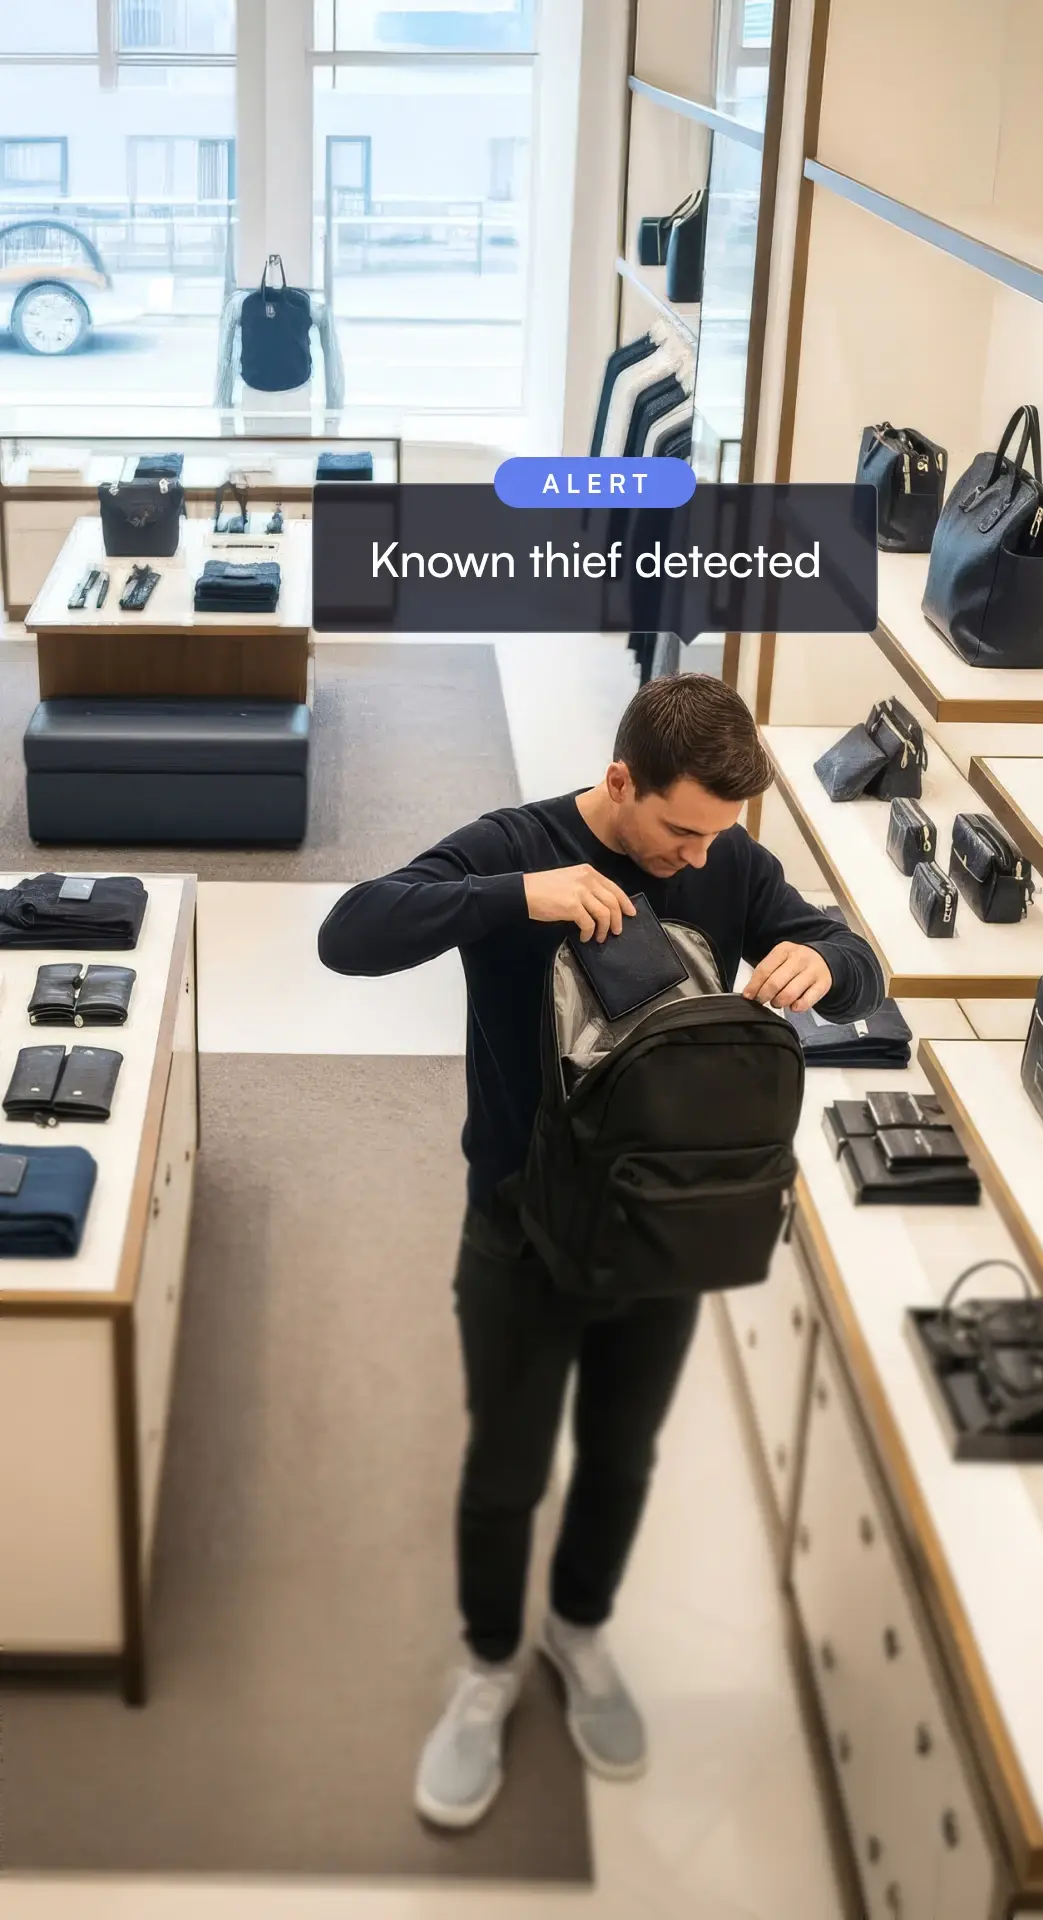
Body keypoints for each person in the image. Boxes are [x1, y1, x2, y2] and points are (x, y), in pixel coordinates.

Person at [318, 673, 883, 1830]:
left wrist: (828, 963)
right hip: (520, 1231)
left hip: (661, 1236)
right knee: (508, 1468)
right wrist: (511, 897)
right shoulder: (518, 846)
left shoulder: (724, 861)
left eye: (717, 838)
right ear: (619, 780)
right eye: (679, 829)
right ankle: (486, 1670)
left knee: (623, 1459)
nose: (695, 860)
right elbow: (349, 935)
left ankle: (578, 1630)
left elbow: (852, 953)